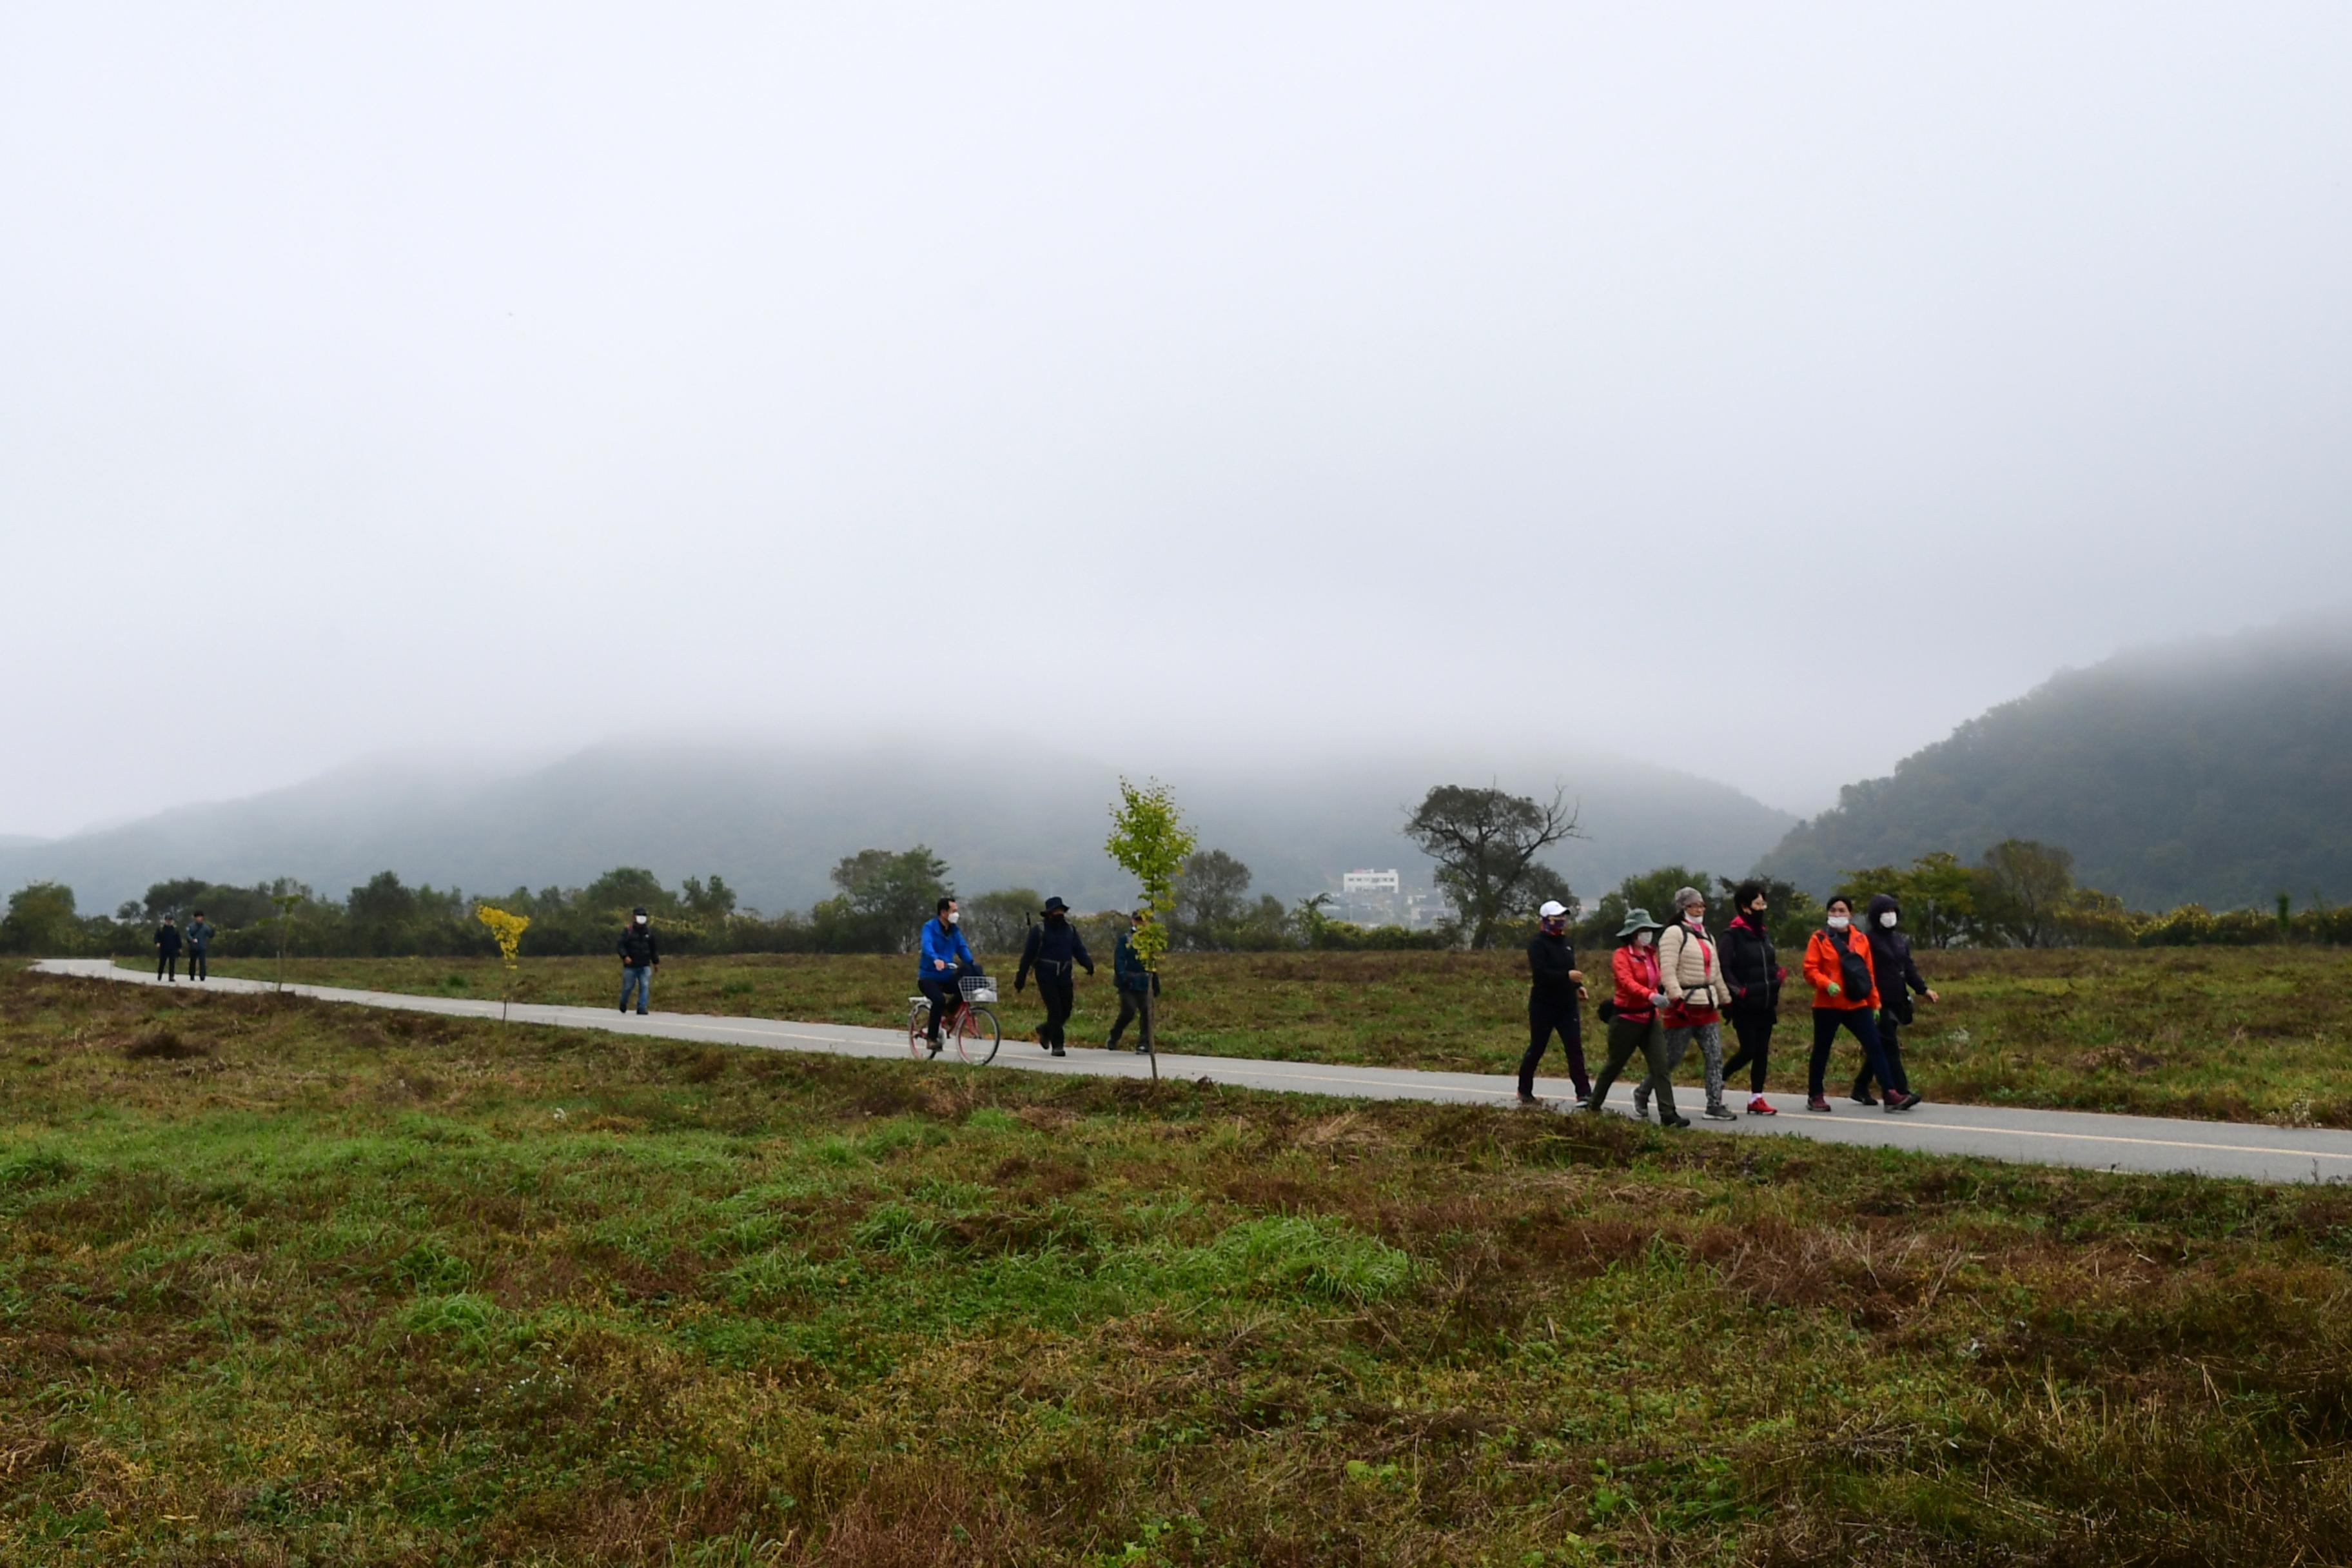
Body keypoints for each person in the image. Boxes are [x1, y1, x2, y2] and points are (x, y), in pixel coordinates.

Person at [1802, 896, 1917, 1113]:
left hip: (1856, 1003)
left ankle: (1890, 1093)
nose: (1838, 914)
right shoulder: (1818, 939)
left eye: (1842, 910)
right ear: (1828, 914)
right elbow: (1810, 970)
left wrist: (1875, 1003)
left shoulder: (1861, 940)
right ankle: (1815, 1095)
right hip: (1827, 1004)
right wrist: (1826, 984)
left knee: (1876, 1046)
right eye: (1834, 910)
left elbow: (1869, 974)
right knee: (1822, 1050)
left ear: (1851, 914)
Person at [1583, 908, 1687, 1128]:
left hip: (1650, 1018)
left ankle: (1668, 1113)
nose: (1647, 934)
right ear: (1633, 933)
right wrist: (1650, 995)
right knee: (1615, 1064)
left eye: (1649, 930)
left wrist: (1665, 992)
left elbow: (1656, 980)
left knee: (1660, 1065)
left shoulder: (1651, 954)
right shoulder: (1621, 956)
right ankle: (1594, 1104)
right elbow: (1627, 983)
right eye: (1643, 930)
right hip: (1627, 1021)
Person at [1647, 885, 1737, 1121]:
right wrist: (1676, 999)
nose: (1699, 909)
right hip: (1684, 1007)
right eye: (1693, 905)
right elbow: (1666, 970)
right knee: (1671, 1058)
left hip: (1707, 1005)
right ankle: (1643, 1092)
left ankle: (1714, 1104)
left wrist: (1726, 1000)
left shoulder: (1708, 936)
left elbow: (1715, 972)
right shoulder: (1674, 934)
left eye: (1701, 905)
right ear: (1682, 908)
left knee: (1714, 1056)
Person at [1854, 892, 1937, 1106]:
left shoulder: (1899, 940)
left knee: (1880, 1045)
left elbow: (1908, 967)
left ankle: (1860, 1087)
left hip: (1897, 999)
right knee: (1889, 1046)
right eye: (1885, 912)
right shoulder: (1868, 940)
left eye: (1892, 911)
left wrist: (1923, 989)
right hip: (1877, 1001)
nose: (1890, 916)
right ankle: (1900, 1090)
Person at [1718, 881, 1785, 1115]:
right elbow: (1724, 968)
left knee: (1762, 1052)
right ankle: (1720, 1079)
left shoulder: (1763, 934)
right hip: (1745, 1005)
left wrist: (1777, 974)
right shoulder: (1732, 936)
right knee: (1748, 1050)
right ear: (1746, 907)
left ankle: (1757, 1098)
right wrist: (1739, 991)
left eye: (1763, 903)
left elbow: (1768, 960)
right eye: (1758, 903)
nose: (1763, 907)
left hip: (1766, 1002)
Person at [1518, 899, 1591, 1106]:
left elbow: (1571, 968)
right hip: (1544, 1005)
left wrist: (1578, 986)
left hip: (1567, 1005)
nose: (1561, 921)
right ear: (1545, 920)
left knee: (1574, 1048)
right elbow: (1541, 974)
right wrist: (1567, 977)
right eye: (1556, 918)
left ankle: (1584, 1093)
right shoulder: (1537, 945)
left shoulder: (1567, 943)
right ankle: (1524, 1090)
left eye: (1563, 917)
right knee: (1538, 1047)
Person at [1014, 896, 1093, 1058]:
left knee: (1067, 1010)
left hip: (1065, 975)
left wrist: (1088, 964)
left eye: (1061, 910)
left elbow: (1078, 949)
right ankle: (1058, 1045)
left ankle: (1045, 1029)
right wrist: (1020, 978)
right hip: (1045, 975)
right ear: (1049, 913)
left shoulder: (1070, 930)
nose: (1059, 913)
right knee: (1055, 1010)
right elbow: (1028, 956)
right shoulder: (1040, 930)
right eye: (1056, 911)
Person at [917, 896, 983, 1054]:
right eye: (954, 911)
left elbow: (962, 947)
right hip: (929, 976)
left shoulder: (954, 931)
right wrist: (936, 959)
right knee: (938, 1000)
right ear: (944, 913)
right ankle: (931, 1039)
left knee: (967, 983)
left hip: (947, 976)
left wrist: (971, 963)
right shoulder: (930, 927)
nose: (956, 914)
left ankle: (949, 1011)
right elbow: (927, 945)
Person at [1106, 908, 1161, 1054]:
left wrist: (1155, 982)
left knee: (1147, 1012)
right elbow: (1119, 960)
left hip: (1144, 982)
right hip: (1128, 983)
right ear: (1133, 921)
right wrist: (1123, 977)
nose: (1141, 923)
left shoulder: (1150, 941)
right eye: (1138, 920)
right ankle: (1115, 1034)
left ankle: (1144, 1043)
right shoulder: (1125, 939)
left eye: (1144, 920)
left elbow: (1152, 963)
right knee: (1128, 1011)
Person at [618, 905, 660, 1015]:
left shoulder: (649, 932)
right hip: (630, 966)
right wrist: (625, 956)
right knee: (628, 987)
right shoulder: (628, 931)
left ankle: (642, 1007)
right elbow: (620, 945)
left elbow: (653, 948)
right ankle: (623, 1002)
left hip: (644, 965)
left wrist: (656, 962)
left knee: (645, 986)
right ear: (634, 917)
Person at [184, 909, 214, 983]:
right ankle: (192, 975)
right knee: (192, 962)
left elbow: (210, 935)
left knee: (202, 962)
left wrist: (213, 931)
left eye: (201, 917)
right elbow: (188, 935)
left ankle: (202, 976)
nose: (199, 918)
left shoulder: (206, 927)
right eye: (198, 917)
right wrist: (192, 940)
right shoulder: (191, 926)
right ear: (195, 918)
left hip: (202, 947)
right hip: (193, 947)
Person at [153, 915, 182, 982]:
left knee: (172, 963)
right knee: (162, 962)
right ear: (165, 920)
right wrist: (157, 943)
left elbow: (178, 939)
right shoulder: (161, 929)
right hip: (164, 948)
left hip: (173, 949)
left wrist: (180, 948)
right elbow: (156, 937)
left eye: (170, 920)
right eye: (168, 920)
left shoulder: (175, 929)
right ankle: (160, 974)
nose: (169, 921)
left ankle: (171, 977)